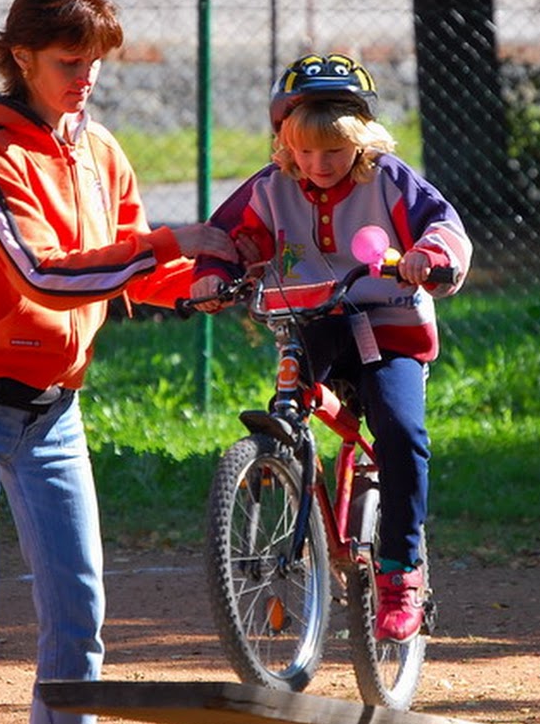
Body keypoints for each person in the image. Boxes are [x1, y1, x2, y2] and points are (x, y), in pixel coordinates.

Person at [0, 0, 236, 724]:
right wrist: (167, 244)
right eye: (67, 62)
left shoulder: (98, 148)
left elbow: (135, 263)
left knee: (78, 606)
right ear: (22, 57)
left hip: (54, 407)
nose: (84, 78)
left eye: (93, 63)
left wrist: (207, 279)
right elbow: (41, 276)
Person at [190, 52, 473, 644]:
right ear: (284, 143)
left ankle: (401, 570)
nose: (317, 164)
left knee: (399, 432)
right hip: (309, 322)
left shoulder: (389, 179)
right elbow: (227, 237)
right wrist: (214, 273)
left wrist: (430, 259)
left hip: (388, 324)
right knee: (287, 408)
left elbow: (443, 226)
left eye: (334, 152)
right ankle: (285, 489)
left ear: (363, 140)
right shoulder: (270, 190)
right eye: (304, 151)